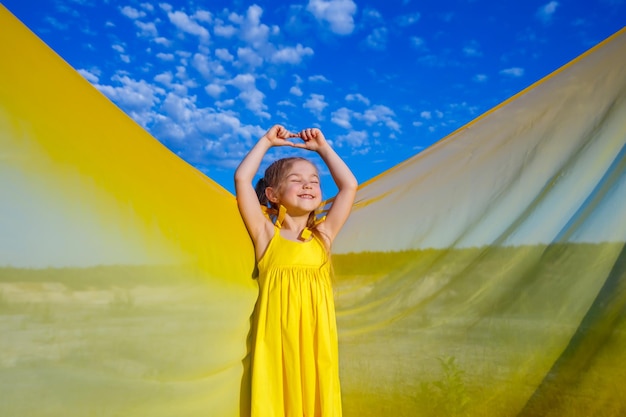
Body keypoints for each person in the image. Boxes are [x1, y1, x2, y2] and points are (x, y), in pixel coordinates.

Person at [235, 124, 358, 417]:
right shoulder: (266, 235)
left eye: (314, 181)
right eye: (296, 180)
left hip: (317, 342)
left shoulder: (323, 236)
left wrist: (323, 148)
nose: (308, 185)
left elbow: (349, 186)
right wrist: (266, 141)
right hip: (276, 342)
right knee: (276, 401)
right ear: (273, 195)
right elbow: (242, 178)